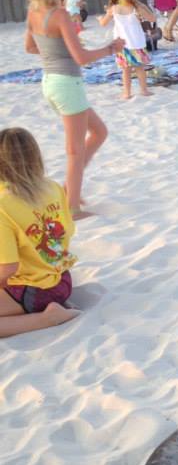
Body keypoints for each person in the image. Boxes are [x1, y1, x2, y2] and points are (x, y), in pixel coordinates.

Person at [24, 0, 124, 216]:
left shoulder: (33, 12)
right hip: (67, 84)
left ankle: (71, 190)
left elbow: (30, 47)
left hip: (50, 82)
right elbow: (80, 58)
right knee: (75, 151)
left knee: (99, 132)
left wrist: (54, 55)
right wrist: (110, 49)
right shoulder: (60, 15)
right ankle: (71, 206)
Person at [0, 128, 80, 338]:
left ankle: (48, 318)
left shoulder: (4, 204)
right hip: (63, 280)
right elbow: (68, 231)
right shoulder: (53, 187)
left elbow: (8, 268)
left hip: (33, 291)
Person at [99, 0, 156, 99]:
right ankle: (144, 90)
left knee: (126, 70)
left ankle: (127, 93)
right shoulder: (136, 8)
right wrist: (142, 5)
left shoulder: (113, 8)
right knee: (139, 68)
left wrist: (99, 19)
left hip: (122, 44)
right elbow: (152, 18)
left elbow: (103, 23)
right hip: (137, 43)